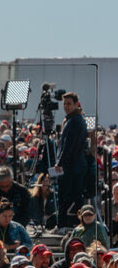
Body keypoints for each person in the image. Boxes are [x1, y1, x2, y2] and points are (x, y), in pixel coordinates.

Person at [54, 91, 88, 226]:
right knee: (75, 196)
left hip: (71, 165)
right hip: (76, 165)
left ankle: (62, 225)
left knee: (65, 196)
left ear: (75, 104)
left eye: (69, 103)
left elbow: (69, 146)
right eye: (64, 104)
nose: (66, 106)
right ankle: (82, 223)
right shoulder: (74, 119)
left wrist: (60, 162)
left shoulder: (74, 121)